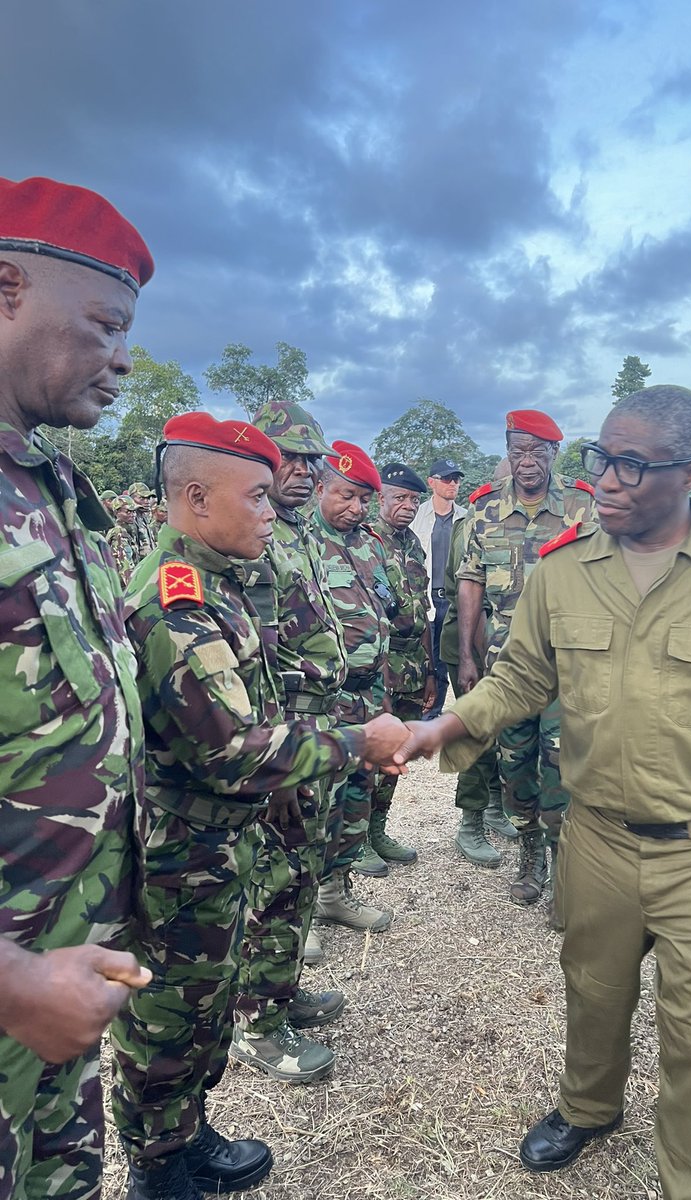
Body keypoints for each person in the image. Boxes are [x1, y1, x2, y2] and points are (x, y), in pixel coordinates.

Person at [396, 385, 691, 1200]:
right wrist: (448, 724)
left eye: (632, 466)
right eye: (602, 458)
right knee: (594, 992)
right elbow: (522, 675)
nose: (606, 480)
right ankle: (589, 1106)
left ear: (689, 476)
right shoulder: (565, 567)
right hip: (598, 837)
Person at [108, 414, 409, 1200]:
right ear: (197, 498)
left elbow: (262, 692)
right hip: (178, 852)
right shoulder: (174, 600)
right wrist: (357, 741)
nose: (273, 513)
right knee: (167, 1016)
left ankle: (188, 1134)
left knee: (208, 1003)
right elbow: (229, 747)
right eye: (257, 497)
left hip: (221, 839)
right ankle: (156, 1169)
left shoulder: (225, 581)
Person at [0, 175, 153, 1200]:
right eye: (106, 324)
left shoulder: (47, 483)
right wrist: (11, 983)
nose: (125, 359)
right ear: (7, 287)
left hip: (64, 965)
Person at [229, 399, 348, 1083]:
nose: (302, 470)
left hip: (312, 732)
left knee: (301, 873)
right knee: (274, 881)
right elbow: (254, 661)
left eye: (311, 460)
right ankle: (258, 1024)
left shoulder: (296, 530)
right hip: (281, 740)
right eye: (289, 457)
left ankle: (282, 989)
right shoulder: (247, 537)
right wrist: (276, 764)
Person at [456, 409, 593, 909]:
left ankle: (562, 864)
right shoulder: (485, 510)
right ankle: (529, 852)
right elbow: (470, 581)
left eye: (537, 451)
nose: (527, 461)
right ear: (508, 453)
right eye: (518, 451)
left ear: (555, 453)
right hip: (507, 666)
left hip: (565, 669)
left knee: (562, 767)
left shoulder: (583, 507)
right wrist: (467, 656)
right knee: (514, 766)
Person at [312, 442, 395, 930]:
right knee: (319, 800)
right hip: (328, 698)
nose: (357, 508)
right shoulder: (298, 542)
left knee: (358, 796)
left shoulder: (370, 543)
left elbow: (385, 607)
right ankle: (301, 911)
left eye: (364, 499)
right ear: (320, 487)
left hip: (370, 694)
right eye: (347, 496)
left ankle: (335, 893)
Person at [365, 462, 437, 871]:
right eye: (400, 498)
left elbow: (422, 611)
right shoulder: (366, 540)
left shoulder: (413, 544)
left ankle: (378, 830)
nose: (408, 506)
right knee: (371, 751)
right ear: (381, 498)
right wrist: (378, 672)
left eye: (414, 499)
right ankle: (356, 839)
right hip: (380, 664)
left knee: (397, 752)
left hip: (412, 664)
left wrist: (429, 671)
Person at [441, 491, 515, 868]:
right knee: (478, 734)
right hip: (472, 646)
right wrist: (484, 658)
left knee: (506, 735)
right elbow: (471, 594)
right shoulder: (472, 524)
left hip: (505, 649)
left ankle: (494, 809)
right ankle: (470, 823)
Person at [409, 458, 467, 719]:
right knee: (427, 659)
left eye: (456, 479)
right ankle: (425, 715)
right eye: (446, 479)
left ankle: (450, 715)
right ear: (431, 482)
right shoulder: (416, 516)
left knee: (453, 658)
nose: (452, 483)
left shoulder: (466, 518)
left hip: (455, 600)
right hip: (426, 598)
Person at [106, 494, 140, 584]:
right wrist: (132, 587)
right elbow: (124, 566)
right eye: (128, 512)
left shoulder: (129, 529)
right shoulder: (118, 532)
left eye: (134, 511)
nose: (133, 515)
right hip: (123, 585)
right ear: (116, 512)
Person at [127, 481, 156, 556]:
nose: (147, 501)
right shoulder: (130, 519)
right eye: (142, 498)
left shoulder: (143, 516)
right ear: (131, 499)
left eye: (148, 498)